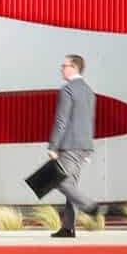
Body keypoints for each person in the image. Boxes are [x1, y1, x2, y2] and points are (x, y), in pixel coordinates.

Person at [47, 54, 97, 238]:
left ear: (74, 67)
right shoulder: (89, 91)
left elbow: (61, 120)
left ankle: (89, 205)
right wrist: (88, 148)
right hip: (84, 145)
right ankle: (68, 227)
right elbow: (88, 120)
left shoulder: (67, 90)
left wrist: (53, 146)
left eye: (64, 65)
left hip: (69, 145)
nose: (61, 68)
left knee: (57, 179)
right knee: (72, 184)